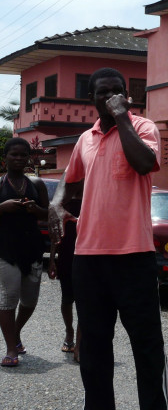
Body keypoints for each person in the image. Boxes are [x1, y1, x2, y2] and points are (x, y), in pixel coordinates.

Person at [48, 68, 168, 409]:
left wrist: (122, 119)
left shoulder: (143, 128)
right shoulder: (85, 139)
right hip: (89, 259)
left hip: (134, 257)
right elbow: (70, 179)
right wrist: (57, 203)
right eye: (104, 93)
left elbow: (145, 163)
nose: (113, 97)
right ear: (93, 99)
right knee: (94, 349)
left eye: (119, 92)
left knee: (147, 348)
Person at [0, 137, 49, 368]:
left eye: (23, 155)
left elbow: (47, 215)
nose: (19, 159)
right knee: (7, 300)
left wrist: (34, 208)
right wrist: (3, 207)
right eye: (14, 155)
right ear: (5, 158)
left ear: (28, 158)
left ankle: (16, 333)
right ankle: (11, 347)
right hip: (5, 249)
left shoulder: (36, 184)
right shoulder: (0, 184)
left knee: (30, 301)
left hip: (32, 248)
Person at [47, 196, 82, 362]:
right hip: (67, 255)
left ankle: (81, 344)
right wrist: (52, 260)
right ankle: (69, 332)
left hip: (87, 254)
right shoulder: (64, 200)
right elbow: (56, 232)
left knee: (85, 301)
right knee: (67, 299)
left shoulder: (92, 197)